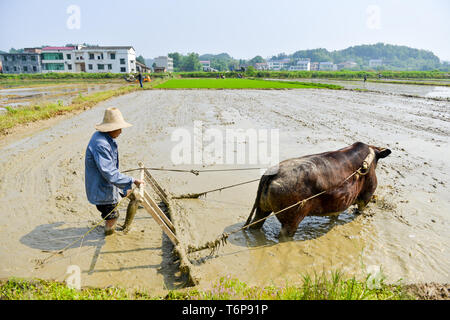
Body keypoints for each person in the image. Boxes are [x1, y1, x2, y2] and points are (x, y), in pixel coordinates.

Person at [85, 107, 144, 235]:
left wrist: (125, 179)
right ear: (110, 128)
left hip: (110, 182)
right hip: (103, 189)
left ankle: (126, 228)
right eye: (119, 128)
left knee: (135, 197)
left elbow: (110, 169)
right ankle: (109, 236)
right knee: (112, 217)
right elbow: (110, 174)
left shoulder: (105, 137)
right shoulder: (101, 144)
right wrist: (132, 180)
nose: (121, 131)